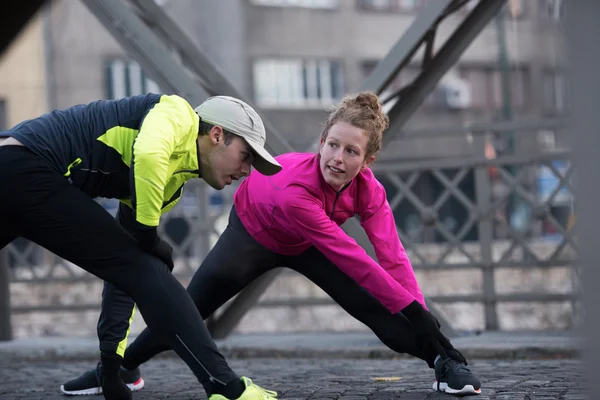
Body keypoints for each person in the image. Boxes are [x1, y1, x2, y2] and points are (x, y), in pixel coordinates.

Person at [61, 91, 482, 397]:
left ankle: (444, 363)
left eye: (351, 151)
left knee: (378, 311)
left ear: (367, 161)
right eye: (331, 145)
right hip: (253, 232)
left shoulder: (369, 191)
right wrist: (412, 308)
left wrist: (421, 314)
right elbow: (350, 256)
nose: (337, 157)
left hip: (310, 243)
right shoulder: (296, 188)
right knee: (188, 308)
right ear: (321, 142)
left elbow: (393, 257)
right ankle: (118, 369)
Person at [0, 93, 282, 400]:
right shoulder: (177, 115)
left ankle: (120, 370)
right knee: (147, 267)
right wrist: (148, 236)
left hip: (18, 174)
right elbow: (149, 155)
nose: (246, 172)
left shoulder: (170, 185)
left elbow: (126, 277)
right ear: (217, 135)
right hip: (23, 166)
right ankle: (226, 387)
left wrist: (110, 366)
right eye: (246, 156)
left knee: (141, 268)